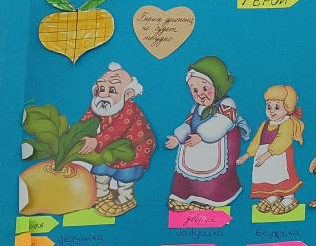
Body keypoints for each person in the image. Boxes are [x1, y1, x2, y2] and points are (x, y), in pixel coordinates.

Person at [166, 56, 250, 211]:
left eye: (205, 88)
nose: (200, 94)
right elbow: (188, 123)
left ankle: (210, 198)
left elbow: (222, 123)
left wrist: (202, 136)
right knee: (185, 171)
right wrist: (178, 137)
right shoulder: (196, 108)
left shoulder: (227, 104)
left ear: (218, 84)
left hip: (220, 144)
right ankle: (184, 195)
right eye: (194, 90)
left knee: (216, 174)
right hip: (195, 144)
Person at [79, 62, 156, 216]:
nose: (103, 94)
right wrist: (79, 133)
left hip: (134, 150)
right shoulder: (99, 105)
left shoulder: (130, 109)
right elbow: (88, 119)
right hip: (109, 148)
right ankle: (102, 195)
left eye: (112, 90)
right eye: (101, 89)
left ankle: (125, 199)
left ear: (127, 94)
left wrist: (96, 141)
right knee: (101, 169)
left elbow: (117, 129)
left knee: (126, 176)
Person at [237, 85, 304, 214]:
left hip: (279, 155)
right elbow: (256, 141)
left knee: (282, 175)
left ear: (287, 107)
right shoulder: (265, 124)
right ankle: (273, 195)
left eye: (277, 107)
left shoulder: (287, 123)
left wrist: (267, 154)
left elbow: (283, 140)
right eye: (269, 107)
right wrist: (247, 155)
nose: (272, 111)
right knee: (269, 176)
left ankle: (289, 198)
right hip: (264, 155)